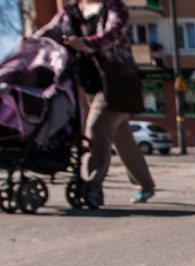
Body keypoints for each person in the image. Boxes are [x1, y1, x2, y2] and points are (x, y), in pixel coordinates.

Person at [36, 0, 156, 206]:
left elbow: (115, 32)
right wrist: (30, 42)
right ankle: (146, 185)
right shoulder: (71, 11)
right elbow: (50, 31)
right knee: (122, 139)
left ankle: (92, 184)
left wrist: (87, 43)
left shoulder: (113, 6)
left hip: (116, 83)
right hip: (90, 84)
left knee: (97, 128)